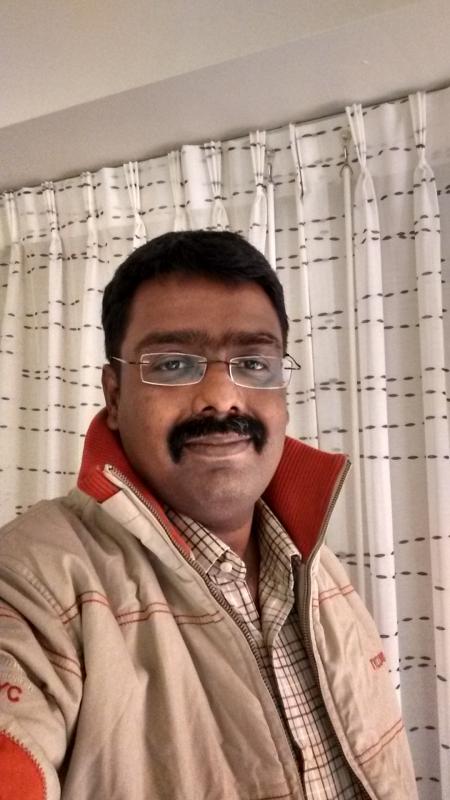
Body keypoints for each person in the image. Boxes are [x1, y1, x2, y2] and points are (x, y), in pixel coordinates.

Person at [0, 231, 417, 800]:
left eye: (254, 362)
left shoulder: (316, 561)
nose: (222, 397)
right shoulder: (35, 580)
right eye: (173, 364)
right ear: (114, 397)